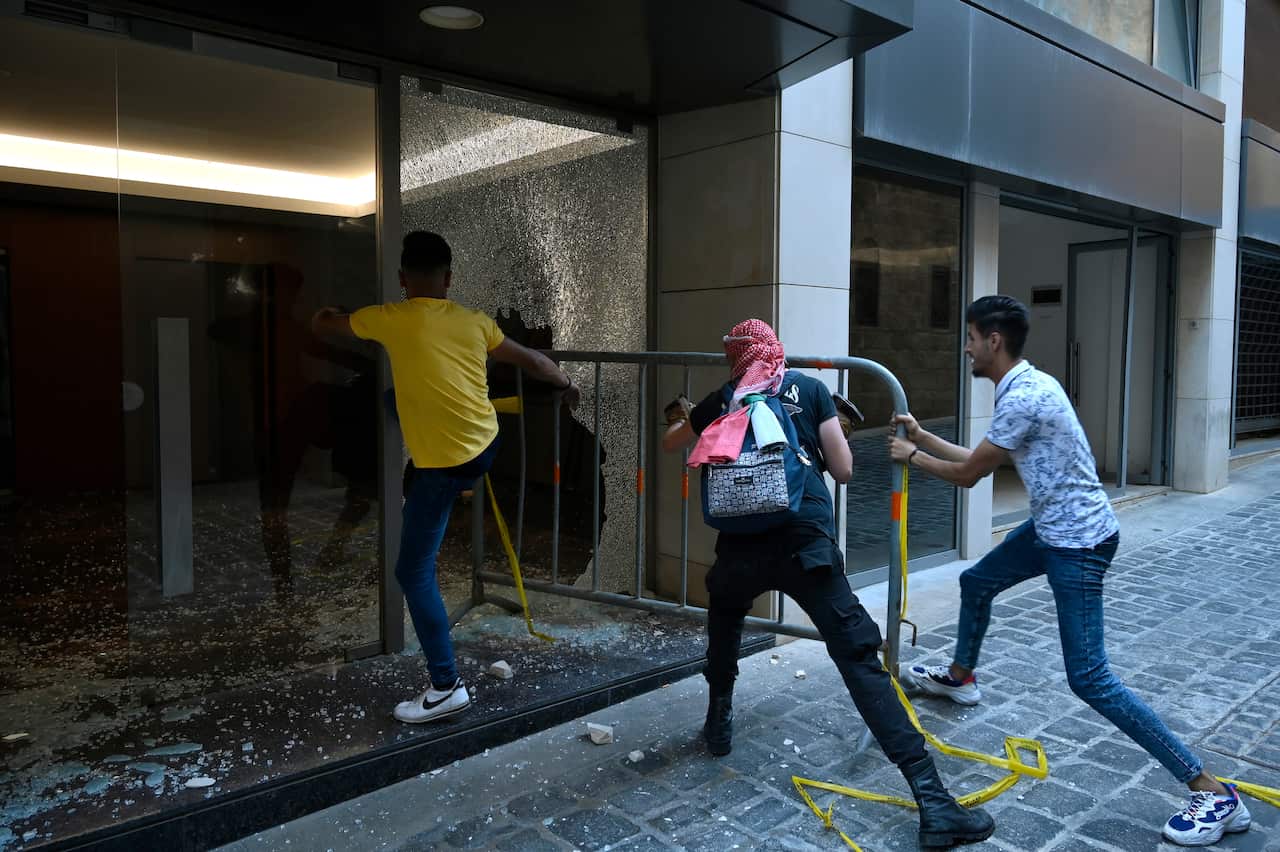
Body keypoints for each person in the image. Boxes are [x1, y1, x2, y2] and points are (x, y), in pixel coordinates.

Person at [888, 295, 1250, 847]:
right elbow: (981, 456)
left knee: (1090, 679)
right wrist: (921, 436)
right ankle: (961, 679)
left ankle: (1212, 792)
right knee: (976, 581)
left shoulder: (1023, 396)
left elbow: (969, 477)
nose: (964, 347)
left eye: (969, 337)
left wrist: (910, 457)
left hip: (1077, 544)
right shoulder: (1026, 385)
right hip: (1055, 529)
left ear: (993, 341)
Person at [663, 319, 994, 849]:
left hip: (739, 551)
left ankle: (719, 722)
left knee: (724, 625)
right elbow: (842, 471)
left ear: (736, 358)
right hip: (806, 548)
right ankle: (933, 800)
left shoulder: (726, 396)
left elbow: (672, 442)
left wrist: (688, 416)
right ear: (776, 352)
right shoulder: (811, 390)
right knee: (860, 660)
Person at [312, 231, 580, 723]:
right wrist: (567, 384)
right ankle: (453, 474)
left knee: (411, 571)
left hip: (447, 463)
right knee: (396, 401)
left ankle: (445, 685)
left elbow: (330, 326)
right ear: (450, 278)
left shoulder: (388, 318)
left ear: (401, 279)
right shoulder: (476, 323)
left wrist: (324, 312)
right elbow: (538, 362)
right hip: (485, 442)